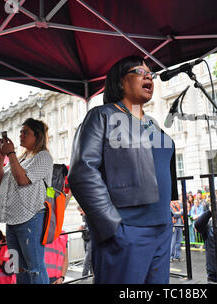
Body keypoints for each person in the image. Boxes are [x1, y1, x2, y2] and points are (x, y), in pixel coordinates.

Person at [68, 55, 178, 284]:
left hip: (162, 229)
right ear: (120, 82)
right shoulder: (103, 115)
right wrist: (112, 227)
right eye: (139, 71)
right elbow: (82, 172)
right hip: (126, 230)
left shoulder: (153, 124)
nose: (148, 76)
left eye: (151, 73)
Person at [0, 118, 53, 284]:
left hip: (31, 218)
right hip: (11, 221)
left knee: (35, 268)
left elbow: (22, 180)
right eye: (21, 131)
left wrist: (10, 154)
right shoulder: (20, 159)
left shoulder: (44, 157)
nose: (21, 135)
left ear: (38, 136)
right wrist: (0, 158)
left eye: (26, 132)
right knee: (18, 267)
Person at [77, 205, 92, 277]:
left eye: (81, 212)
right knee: (90, 258)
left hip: (91, 238)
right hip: (86, 237)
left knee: (87, 258)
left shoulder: (91, 215)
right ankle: (92, 274)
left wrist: (83, 227)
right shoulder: (83, 216)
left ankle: (84, 277)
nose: (81, 214)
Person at [170, 197, 184, 262]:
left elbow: (183, 212)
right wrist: (179, 212)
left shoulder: (179, 204)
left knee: (179, 241)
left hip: (180, 224)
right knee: (173, 241)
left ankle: (177, 256)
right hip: (174, 225)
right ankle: (171, 256)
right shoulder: (169, 204)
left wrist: (178, 213)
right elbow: (173, 214)